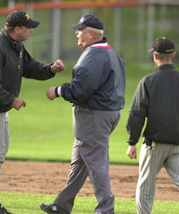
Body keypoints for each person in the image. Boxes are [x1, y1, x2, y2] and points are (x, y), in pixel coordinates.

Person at [0, 10, 64, 214]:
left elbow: (30, 68)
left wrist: (50, 70)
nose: (31, 31)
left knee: (0, 149)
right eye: (28, 27)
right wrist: (11, 99)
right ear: (17, 29)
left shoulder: (16, 45)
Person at [40, 14, 126, 214]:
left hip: (94, 116)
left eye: (80, 30)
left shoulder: (95, 56)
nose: (77, 33)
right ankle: (61, 205)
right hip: (107, 113)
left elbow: (80, 90)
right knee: (80, 164)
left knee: (96, 164)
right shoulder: (110, 52)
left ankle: (106, 209)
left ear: (90, 33)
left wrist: (58, 90)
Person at [126, 37, 179, 214]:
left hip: (154, 144)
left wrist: (132, 141)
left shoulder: (148, 81)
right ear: (174, 55)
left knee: (146, 183)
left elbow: (136, 114)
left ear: (155, 55)